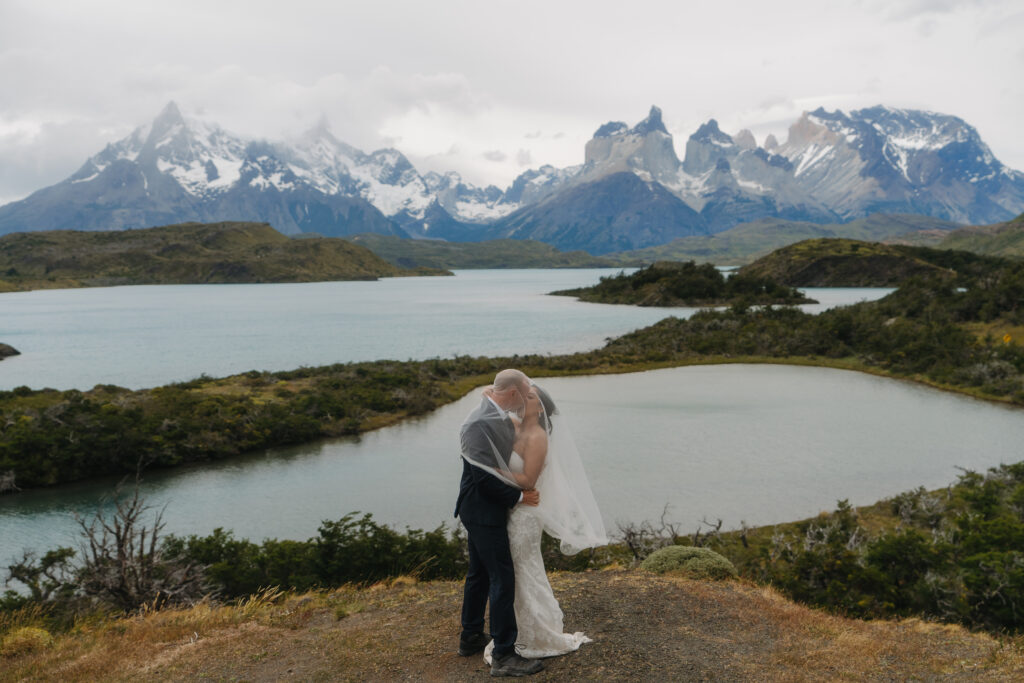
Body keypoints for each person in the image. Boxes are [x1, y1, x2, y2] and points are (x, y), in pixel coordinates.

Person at [481, 381, 607, 664]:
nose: (525, 399)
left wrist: (492, 470)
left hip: (525, 517)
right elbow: (491, 401)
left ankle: (535, 634)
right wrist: (493, 392)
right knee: (515, 572)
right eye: (523, 395)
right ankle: (515, 633)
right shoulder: (517, 426)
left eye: (531, 397)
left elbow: (528, 481)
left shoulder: (537, 436)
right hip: (513, 511)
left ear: (540, 408)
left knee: (523, 571)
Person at [455, 369, 544, 677]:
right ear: (512, 394)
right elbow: (483, 478)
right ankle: (504, 655)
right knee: (501, 577)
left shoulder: (493, 411)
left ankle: (470, 637)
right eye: (524, 394)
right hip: (483, 510)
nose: (524, 401)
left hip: (480, 509)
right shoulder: (480, 423)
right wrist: (519, 499)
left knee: (479, 572)